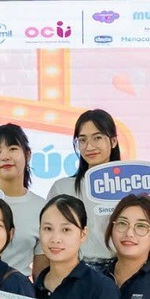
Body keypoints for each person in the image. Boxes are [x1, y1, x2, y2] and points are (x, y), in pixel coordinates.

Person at [45, 109, 122, 264]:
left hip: (121, 269)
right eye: (82, 140)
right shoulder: (63, 188)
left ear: (113, 141)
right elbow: (49, 234)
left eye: (97, 138)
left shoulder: (129, 185)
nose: (89, 146)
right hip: (75, 269)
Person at [0, 122, 46, 273]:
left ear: (28, 154)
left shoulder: (42, 207)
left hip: (19, 286)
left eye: (13, 149)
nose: (5, 157)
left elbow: (40, 272)